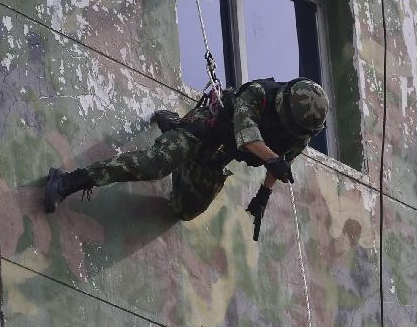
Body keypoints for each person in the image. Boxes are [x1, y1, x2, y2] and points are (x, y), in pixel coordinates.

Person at [44, 77, 329, 229]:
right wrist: (273, 160)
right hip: (205, 128)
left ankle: (172, 131)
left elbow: (281, 164)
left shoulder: (297, 135)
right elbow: (247, 136)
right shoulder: (258, 94)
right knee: (155, 164)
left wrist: (263, 196)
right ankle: (68, 181)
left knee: (184, 210)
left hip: (217, 155)